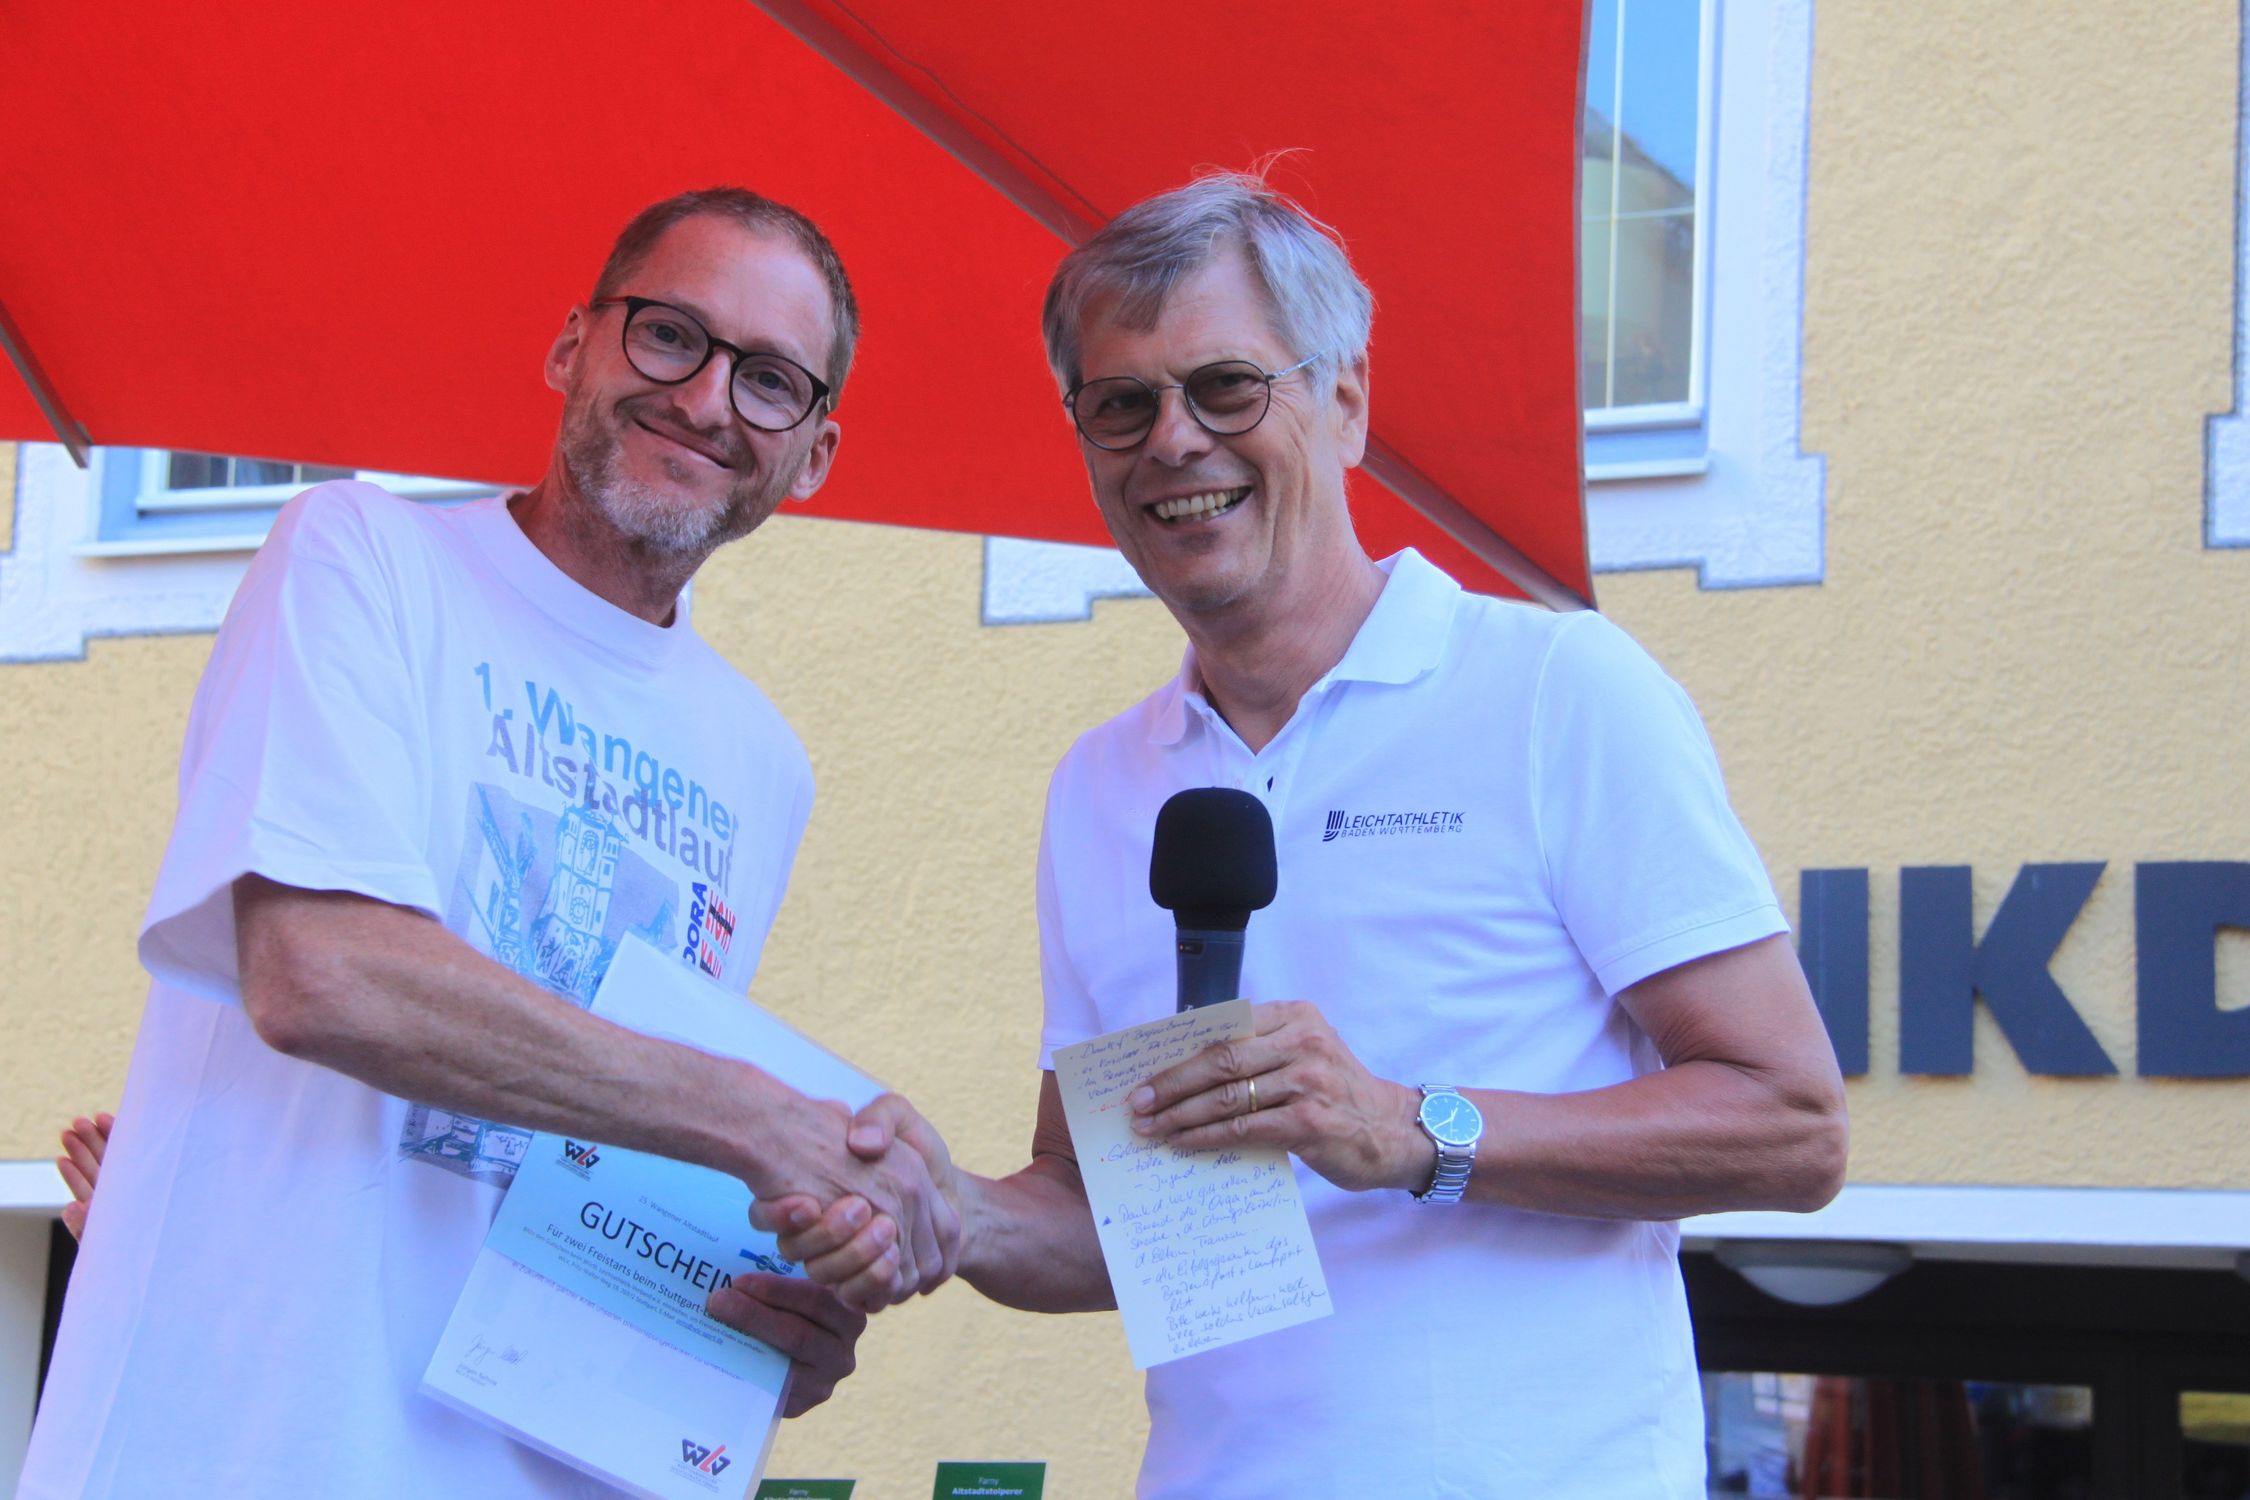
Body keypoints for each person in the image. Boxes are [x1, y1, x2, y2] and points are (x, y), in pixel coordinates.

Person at [767, 173, 1851, 1497]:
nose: (1173, 441)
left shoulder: (1554, 690)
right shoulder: (1100, 785)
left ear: (1345, 402)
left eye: (1226, 388)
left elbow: (1791, 1125)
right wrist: (955, 1211)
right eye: (1120, 405)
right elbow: (1117, 1219)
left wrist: (1410, 1129)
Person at [19, 187, 952, 1499]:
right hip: (247, 1448)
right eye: (669, 334)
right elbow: (320, 972)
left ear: (813, 454)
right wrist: (759, 1123)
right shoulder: (362, 557)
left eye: (769, 380)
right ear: (573, 345)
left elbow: (606, 1160)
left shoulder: (760, 762)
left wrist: (742, 1334)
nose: (705, 399)